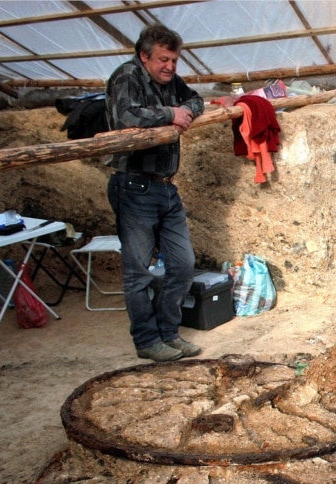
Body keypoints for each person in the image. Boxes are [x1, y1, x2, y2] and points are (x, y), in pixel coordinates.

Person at [105, 25, 206, 362]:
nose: (171, 67)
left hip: (165, 186)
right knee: (138, 271)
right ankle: (147, 341)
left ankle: (168, 333)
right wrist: (169, 115)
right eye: (164, 59)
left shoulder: (170, 81)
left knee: (183, 264)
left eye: (175, 60)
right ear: (144, 56)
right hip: (134, 185)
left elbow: (196, 100)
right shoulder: (127, 77)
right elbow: (126, 116)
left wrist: (185, 111)